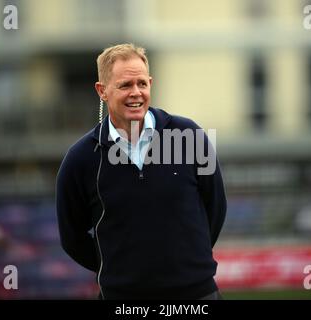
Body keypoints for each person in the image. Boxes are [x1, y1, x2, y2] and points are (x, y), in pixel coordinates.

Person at [56, 43, 226, 300]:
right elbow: (72, 237)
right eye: (125, 85)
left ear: (150, 84)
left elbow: (216, 208)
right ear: (102, 91)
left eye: (142, 84)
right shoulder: (80, 159)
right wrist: (119, 269)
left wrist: (189, 261)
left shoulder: (188, 136)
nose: (136, 93)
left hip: (196, 295)